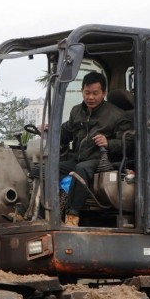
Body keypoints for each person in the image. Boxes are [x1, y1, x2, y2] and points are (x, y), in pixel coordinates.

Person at [58, 71, 132, 226]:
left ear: (104, 93)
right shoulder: (76, 111)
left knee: (82, 169)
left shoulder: (117, 115)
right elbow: (65, 132)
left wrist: (108, 143)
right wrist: (50, 130)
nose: (90, 97)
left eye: (95, 93)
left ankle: (72, 216)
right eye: (87, 93)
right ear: (82, 91)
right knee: (45, 169)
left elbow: (129, 143)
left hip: (102, 161)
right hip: (78, 158)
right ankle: (38, 213)